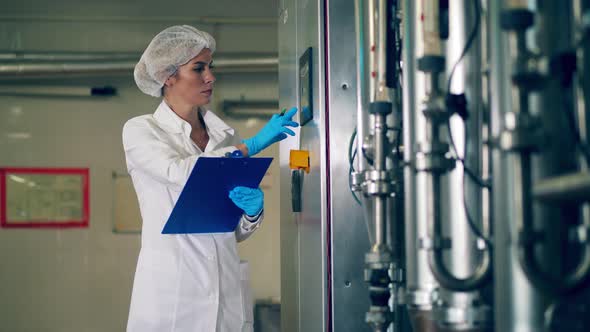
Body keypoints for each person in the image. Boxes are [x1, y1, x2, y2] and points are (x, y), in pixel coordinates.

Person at [122, 25, 298, 332]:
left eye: (210, 67)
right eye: (198, 68)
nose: (210, 77)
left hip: (226, 294)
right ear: (168, 75)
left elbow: (231, 231)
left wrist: (252, 214)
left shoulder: (225, 136)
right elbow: (178, 172)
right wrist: (250, 147)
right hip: (172, 296)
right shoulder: (141, 130)